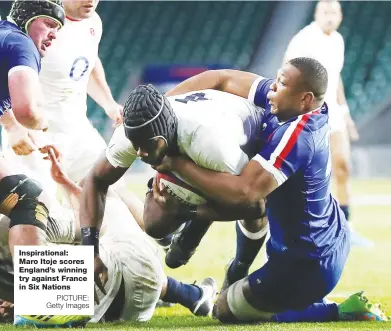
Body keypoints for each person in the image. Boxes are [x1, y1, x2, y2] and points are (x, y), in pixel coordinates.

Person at [150, 59, 386, 323]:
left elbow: (245, 192)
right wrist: (160, 110)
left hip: (306, 263)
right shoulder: (290, 104)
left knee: (224, 310)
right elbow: (221, 78)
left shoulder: (299, 134)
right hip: (326, 237)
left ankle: (340, 310)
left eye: (282, 83)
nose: (272, 87)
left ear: (305, 99)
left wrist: (175, 163)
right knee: (257, 202)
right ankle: (260, 279)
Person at [0, 146, 217, 327]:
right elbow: (87, 222)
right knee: (97, 193)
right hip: (133, 290)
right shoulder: (21, 216)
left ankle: (189, 293)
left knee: (88, 228)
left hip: (98, 301)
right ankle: (181, 275)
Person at [80, 84, 269, 293]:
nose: (141, 154)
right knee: (155, 225)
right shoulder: (130, 135)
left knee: (251, 212)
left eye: (147, 145)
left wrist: (188, 211)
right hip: (191, 147)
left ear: (165, 134)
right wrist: (91, 252)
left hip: (250, 139)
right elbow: (96, 181)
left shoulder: (212, 144)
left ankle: (238, 268)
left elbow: (256, 205)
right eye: (136, 145)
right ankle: (193, 227)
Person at [0, 0, 123, 200]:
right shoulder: (31, 22)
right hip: (33, 138)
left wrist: (109, 104)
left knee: (114, 196)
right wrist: (11, 125)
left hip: (79, 131)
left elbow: (89, 60)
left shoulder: (93, 22)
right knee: (35, 211)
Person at [283, 0, 371, 247]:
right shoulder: (304, 39)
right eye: (326, 12)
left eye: (335, 12)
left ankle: (346, 228)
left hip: (333, 113)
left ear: (341, 16)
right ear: (316, 14)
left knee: (343, 166)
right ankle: (299, 229)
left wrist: (344, 112)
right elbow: (287, 72)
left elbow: (335, 77)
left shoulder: (337, 41)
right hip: (309, 114)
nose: (330, 17)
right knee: (308, 175)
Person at [0, 0, 64, 255]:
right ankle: (37, 294)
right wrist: (43, 123)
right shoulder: (20, 42)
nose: (54, 33)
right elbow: (28, 111)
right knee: (32, 200)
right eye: (49, 23)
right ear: (27, 17)